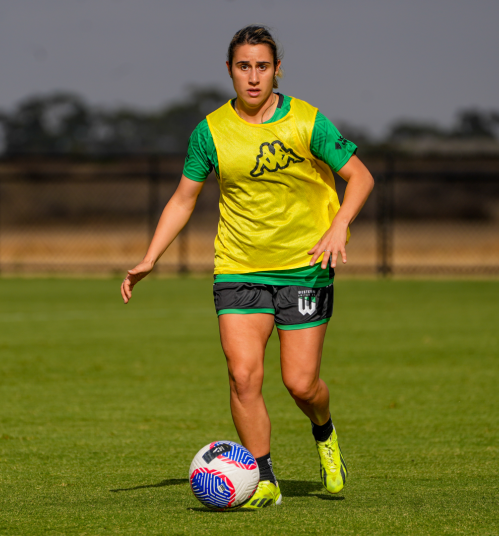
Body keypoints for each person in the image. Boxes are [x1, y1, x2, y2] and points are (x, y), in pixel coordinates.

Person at [121, 25, 374, 508]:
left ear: (277, 70)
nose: (253, 77)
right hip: (238, 268)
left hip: (305, 268)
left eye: (262, 66)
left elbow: (360, 177)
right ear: (229, 71)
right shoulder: (210, 131)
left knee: (301, 384)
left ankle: (325, 432)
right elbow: (183, 199)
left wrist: (340, 223)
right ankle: (264, 478)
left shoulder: (307, 121)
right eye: (244, 67)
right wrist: (151, 257)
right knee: (243, 376)